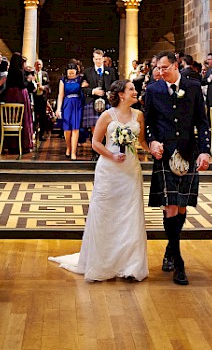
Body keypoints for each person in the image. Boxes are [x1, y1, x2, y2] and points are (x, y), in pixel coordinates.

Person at [50, 79, 149, 281]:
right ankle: (102, 262)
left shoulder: (139, 115)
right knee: (106, 213)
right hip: (109, 170)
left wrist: (154, 150)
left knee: (130, 215)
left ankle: (130, 265)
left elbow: (142, 142)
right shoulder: (107, 115)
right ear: (121, 94)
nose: (135, 92)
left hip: (130, 170)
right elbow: (96, 142)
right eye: (131, 89)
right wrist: (112, 155)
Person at [145, 52, 211, 286]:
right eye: (158, 68)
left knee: (181, 206)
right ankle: (179, 263)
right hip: (164, 154)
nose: (160, 72)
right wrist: (152, 142)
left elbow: (202, 122)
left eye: (164, 67)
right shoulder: (153, 90)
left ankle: (170, 249)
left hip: (187, 152)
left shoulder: (193, 87)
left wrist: (205, 150)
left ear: (175, 66)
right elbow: (149, 123)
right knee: (170, 205)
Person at [5, 52, 34, 153]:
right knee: (23, 118)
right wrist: (29, 80)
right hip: (20, 95)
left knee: (12, 119)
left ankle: (11, 144)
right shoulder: (20, 72)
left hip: (10, 95)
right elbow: (23, 84)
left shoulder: (10, 71)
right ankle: (22, 144)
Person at [81, 49, 116, 132]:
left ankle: (107, 144)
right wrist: (93, 91)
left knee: (108, 126)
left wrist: (110, 94)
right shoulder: (87, 72)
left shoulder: (111, 71)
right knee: (94, 126)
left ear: (103, 59)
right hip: (92, 101)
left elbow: (115, 86)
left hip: (107, 101)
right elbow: (83, 88)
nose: (98, 61)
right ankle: (95, 144)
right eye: (96, 59)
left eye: (99, 59)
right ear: (93, 59)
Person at [56, 62, 84, 159]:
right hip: (67, 103)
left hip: (77, 103)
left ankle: (73, 152)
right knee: (67, 129)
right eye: (69, 73)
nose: (71, 75)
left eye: (73, 73)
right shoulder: (63, 80)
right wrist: (58, 109)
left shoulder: (80, 79)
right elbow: (60, 95)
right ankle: (68, 147)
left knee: (75, 128)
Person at [33, 59, 51, 140]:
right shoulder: (32, 74)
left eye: (40, 64)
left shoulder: (45, 74)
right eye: (37, 64)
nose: (38, 66)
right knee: (35, 116)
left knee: (43, 116)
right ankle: (33, 133)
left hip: (42, 97)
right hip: (34, 97)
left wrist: (43, 87)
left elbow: (48, 85)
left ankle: (42, 134)